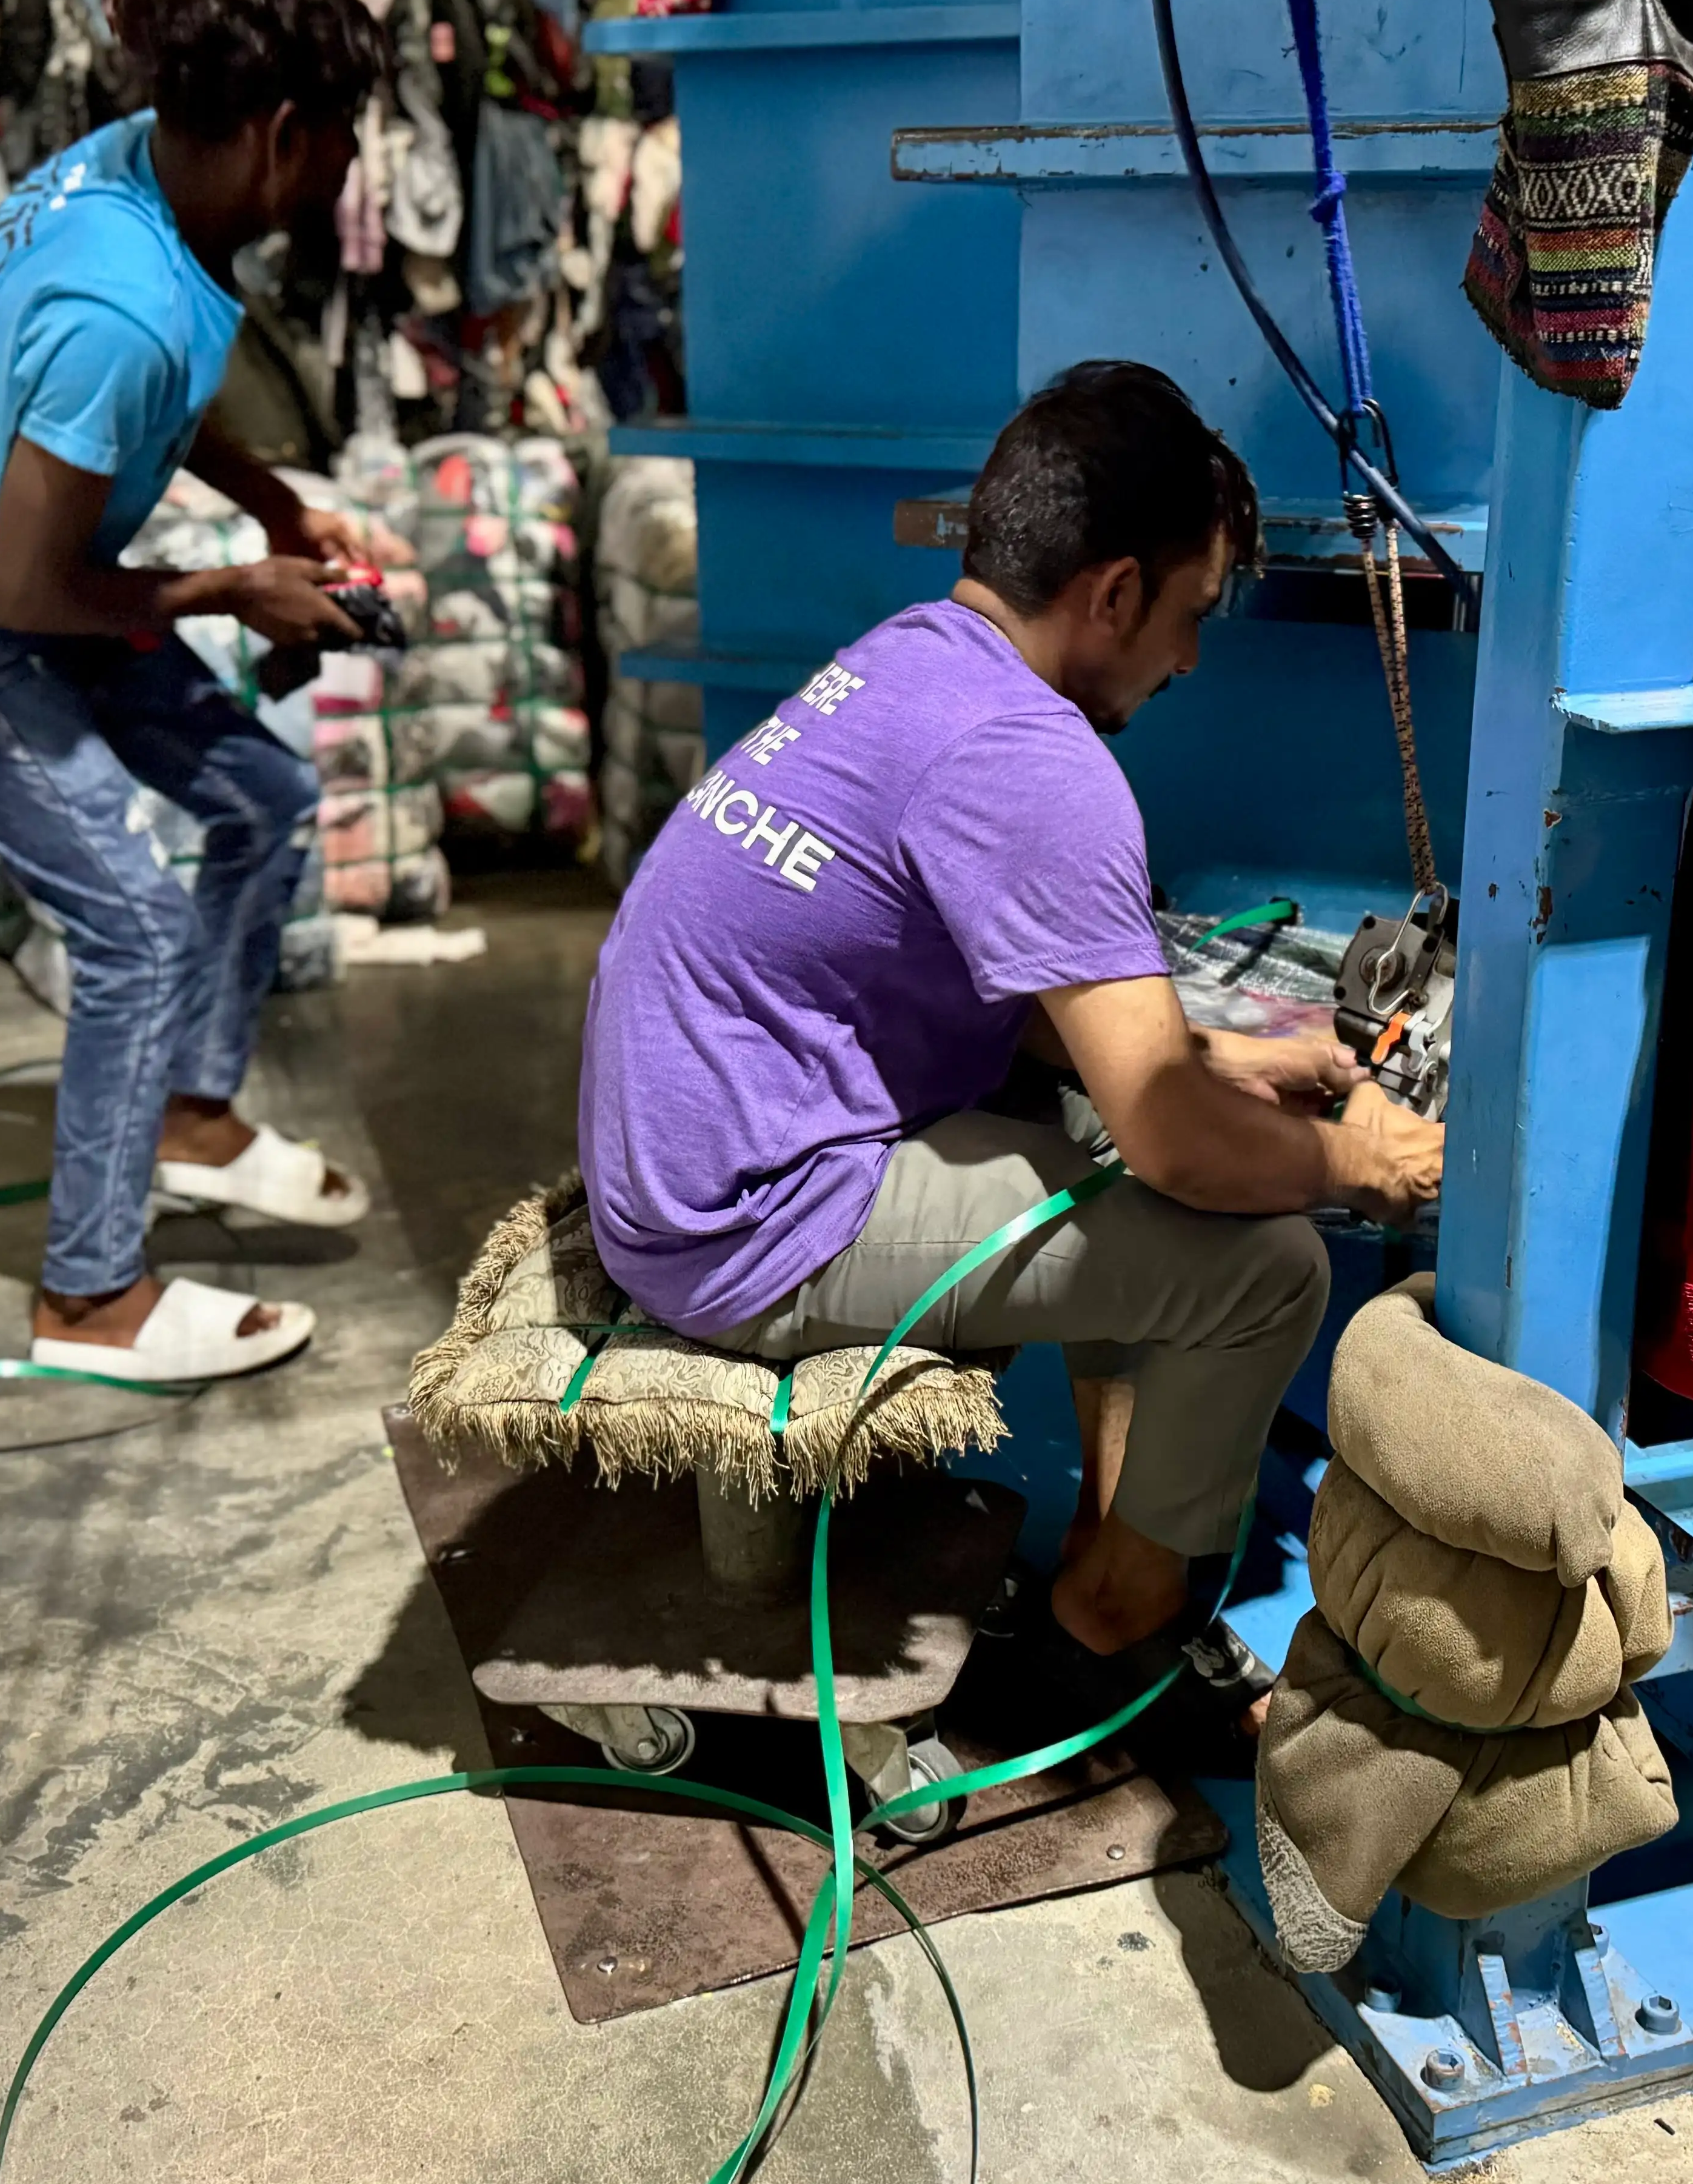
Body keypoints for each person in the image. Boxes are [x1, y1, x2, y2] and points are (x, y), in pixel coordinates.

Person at [576, 360, 1447, 1719]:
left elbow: (992, 999)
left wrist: (1221, 1061)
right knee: (1270, 1267)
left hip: (695, 1154)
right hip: (745, 1225)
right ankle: (1121, 1603)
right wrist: (1364, 1160)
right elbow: (1179, 1147)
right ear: (1116, 592)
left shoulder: (912, 664)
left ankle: (1111, 1518)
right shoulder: (1036, 762)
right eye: (1191, 614)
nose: (1190, 660)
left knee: (1112, 1124)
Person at [0, 0, 386, 1385]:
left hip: (15, 565)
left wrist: (273, 509)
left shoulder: (149, 175)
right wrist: (237, 589)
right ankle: (90, 1300)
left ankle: (190, 1114)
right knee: (132, 927)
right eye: (342, 140)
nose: (347, 169)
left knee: (263, 797)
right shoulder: (117, 297)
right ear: (282, 136)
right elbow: (27, 589)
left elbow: (152, 393)